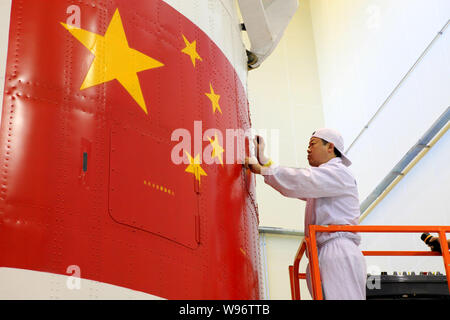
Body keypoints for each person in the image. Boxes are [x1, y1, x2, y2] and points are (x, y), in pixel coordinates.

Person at [245, 128, 367, 300]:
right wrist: (264, 160)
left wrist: (263, 167)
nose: (308, 149)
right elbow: (295, 184)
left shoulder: (339, 173)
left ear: (330, 147)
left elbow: (299, 180)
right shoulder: (323, 181)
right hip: (323, 252)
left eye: (313, 144)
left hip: (337, 249)